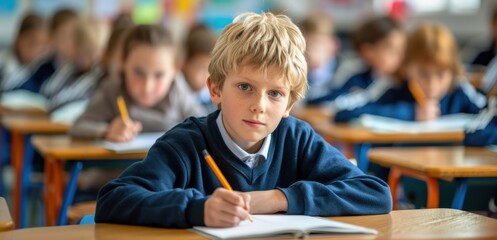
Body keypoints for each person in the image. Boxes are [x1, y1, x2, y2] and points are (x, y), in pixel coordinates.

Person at [95, 12, 391, 228]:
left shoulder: (296, 139)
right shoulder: (185, 144)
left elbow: (375, 194)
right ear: (215, 89)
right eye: (245, 87)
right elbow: (113, 199)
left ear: (289, 104)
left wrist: (277, 199)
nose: (258, 106)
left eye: (275, 94)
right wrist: (198, 209)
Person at [69, 24, 204, 141]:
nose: (147, 87)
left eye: (159, 75)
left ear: (175, 70)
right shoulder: (113, 90)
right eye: (138, 72)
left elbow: (204, 127)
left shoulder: (178, 90)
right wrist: (108, 131)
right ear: (122, 62)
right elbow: (79, 126)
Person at [335, 23, 486, 122]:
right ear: (406, 68)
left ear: (452, 72)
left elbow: (488, 115)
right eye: (423, 74)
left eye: (441, 74)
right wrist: (410, 113)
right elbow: (344, 112)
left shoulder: (460, 89)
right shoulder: (392, 86)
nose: (432, 84)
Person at [308, 16, 405, 110]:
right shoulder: (357, 76)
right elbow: (326, 99)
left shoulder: (400, 84)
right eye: (391, 49)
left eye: (402, 49)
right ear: (368, 51)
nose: (399, 55)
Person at [0, 13, 48, 92]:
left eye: (41, 44)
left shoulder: (41, 70)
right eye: (30, 42)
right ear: (17, 40)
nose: (35, 48)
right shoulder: (3, 64)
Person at [181, 24, 217, 112]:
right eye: (202, 68)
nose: (207, 76)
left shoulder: (213, 98)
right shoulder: (177, 93)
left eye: (211, 70)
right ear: (185, 64)